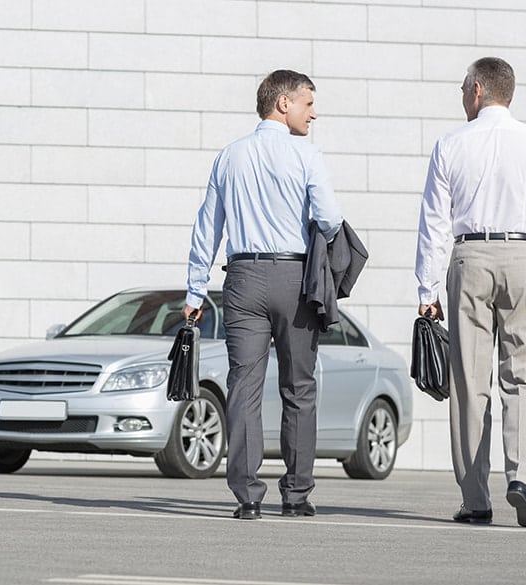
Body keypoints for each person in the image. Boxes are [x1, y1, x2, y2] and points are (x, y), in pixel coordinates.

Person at [414, 57, 526, 528]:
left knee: (470, 383)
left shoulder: (450, 144)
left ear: (476, 89)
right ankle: (523, 479)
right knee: (525, 376)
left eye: (461, 87)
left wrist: (425, 288)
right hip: (525, 258)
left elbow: (434, 225)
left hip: (469, 260)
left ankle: (476, 500)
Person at [183, 69, 343, 520]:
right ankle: (296, 495)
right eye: (308, 104)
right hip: (295, 280)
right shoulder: (306, 155)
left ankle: (248, 496)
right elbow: (330, 219)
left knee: (244, 386)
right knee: (300, 387)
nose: (314, 113)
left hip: (243, 278)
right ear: (283, 104)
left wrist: (195, 291)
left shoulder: (229, 156)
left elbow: (207, 228)